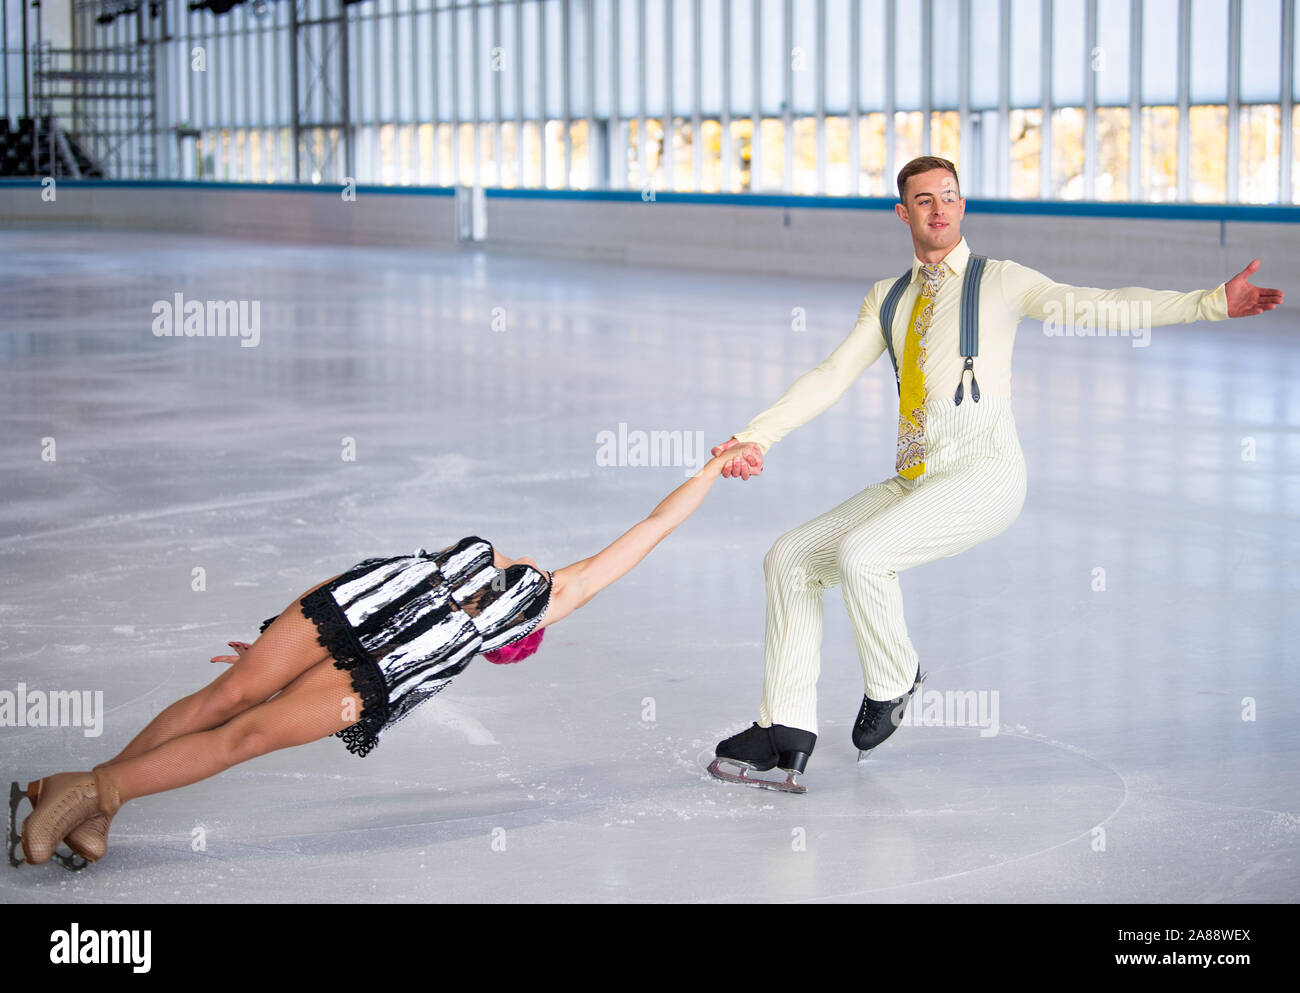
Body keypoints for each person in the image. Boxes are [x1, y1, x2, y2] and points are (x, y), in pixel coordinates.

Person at [707, 154, 1283, 793]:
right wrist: (756, 436)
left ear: (963, 203)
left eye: (949, 196)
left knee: (862, 554)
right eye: (924, 200)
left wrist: (1207, 304)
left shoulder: (999, 281)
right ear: (904, 214)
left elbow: (1093, 305)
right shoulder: (889, 297)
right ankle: (783, 731)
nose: (940, 209)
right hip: (915, 480)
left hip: (985, 473)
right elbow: (832, 375)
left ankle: (895, 681)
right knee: (789, 556)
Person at [10, 442, 762, 869]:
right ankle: (88, 804)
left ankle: (88, 794)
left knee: (246, 733)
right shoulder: (471, 553)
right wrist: (277, 624)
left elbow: (651, 529)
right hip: (349, 603)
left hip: (382, 672)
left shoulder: (550, 595)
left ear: (518, 636)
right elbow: (361, 574)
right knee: (227, 698)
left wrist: (705, 478)